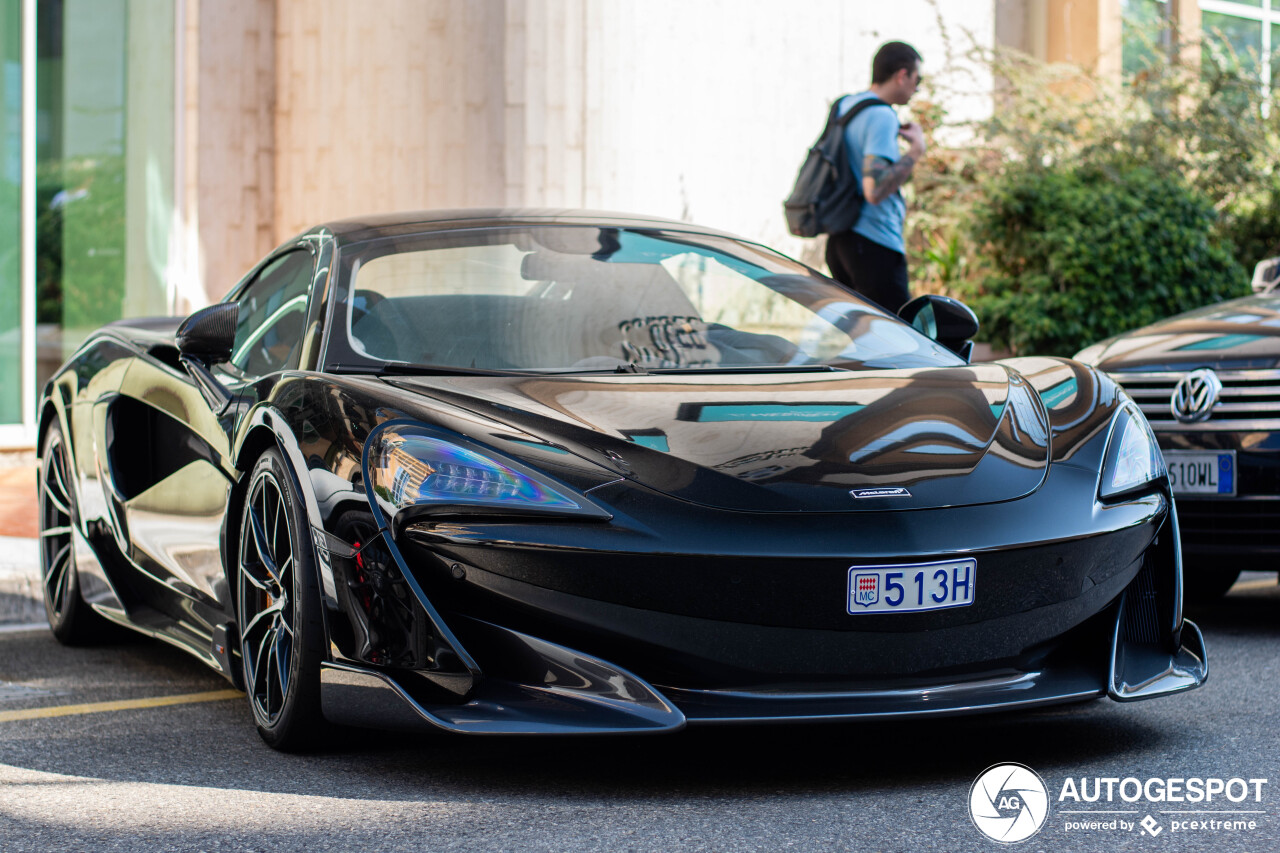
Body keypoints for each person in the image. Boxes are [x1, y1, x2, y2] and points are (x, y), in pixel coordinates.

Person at [825, 41, 925, 315]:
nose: (917, 89)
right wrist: (916, 151)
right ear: (901, 75)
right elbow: (875, 189)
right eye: (918, 80)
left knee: (858, 339)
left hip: (841, 239)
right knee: (898, 342)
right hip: (873, 242)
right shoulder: (882, 115)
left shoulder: (846, 106)